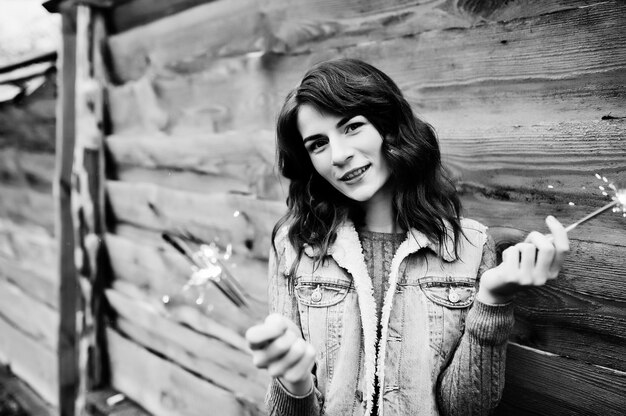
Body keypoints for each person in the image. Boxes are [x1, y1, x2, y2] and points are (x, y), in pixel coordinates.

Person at [245, 58, 569, 416]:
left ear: (389, 126)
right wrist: (294, 384)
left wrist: (493, 301)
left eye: (352, 127)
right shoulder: (295, 245)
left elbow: (465, 409)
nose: (338, 155)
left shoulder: (470, 247)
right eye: (318, 144)